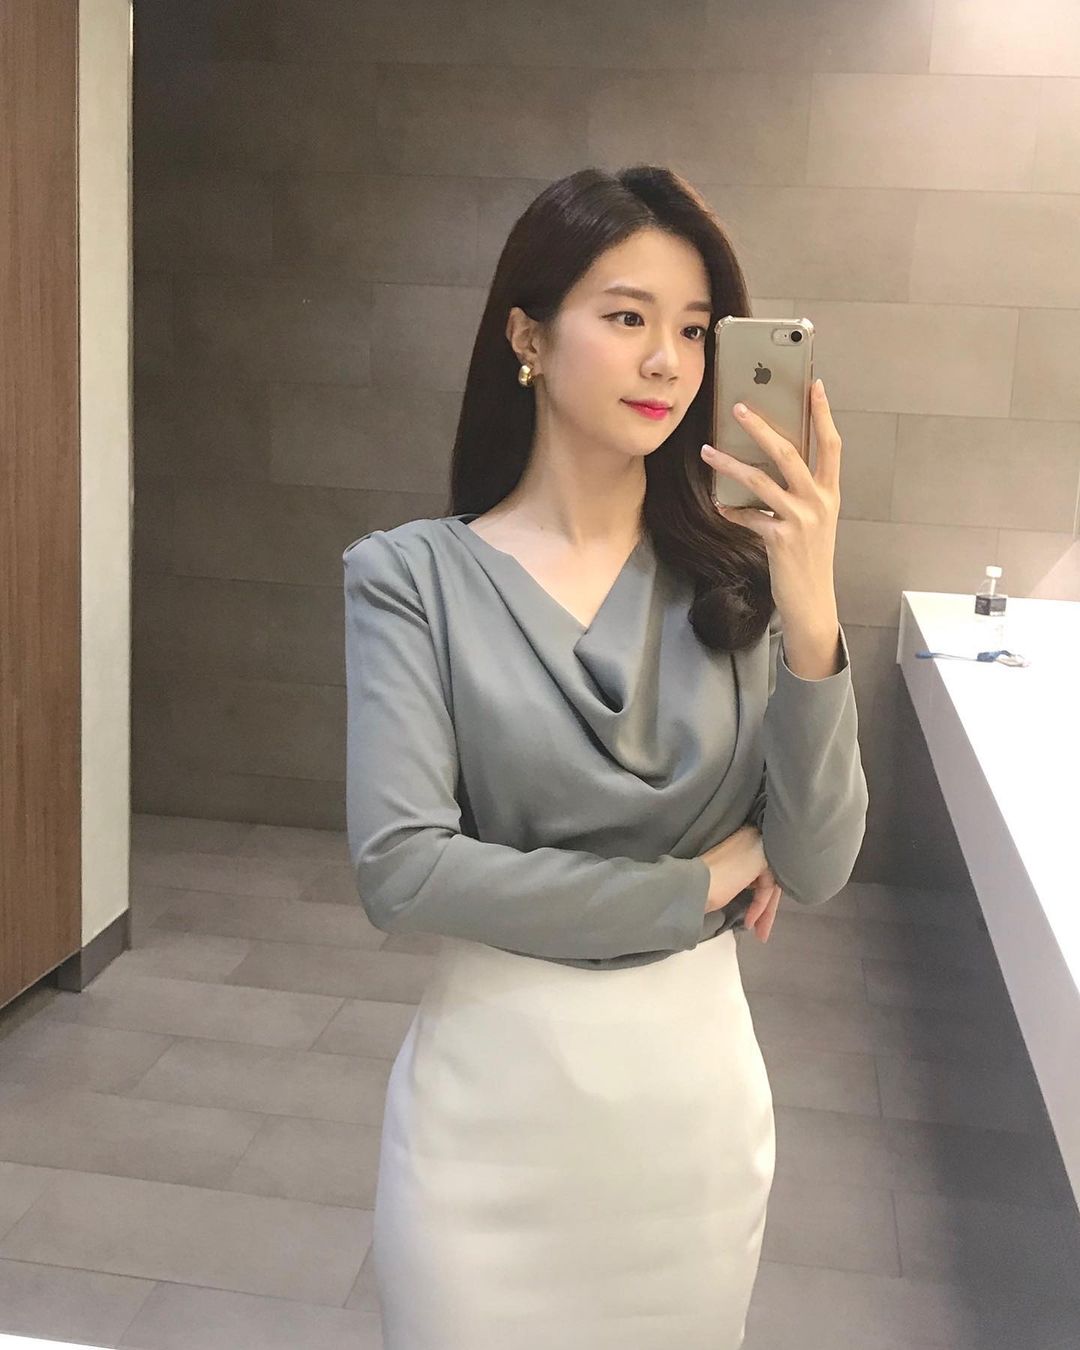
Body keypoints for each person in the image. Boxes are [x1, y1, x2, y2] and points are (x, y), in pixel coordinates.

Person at [342, 164, 869, 1350]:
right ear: (527, 335)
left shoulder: (737, 583)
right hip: (488, 1119)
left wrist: (812, 609)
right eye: (628, 317)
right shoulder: (411, 580)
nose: (668, 362)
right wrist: (698, 882)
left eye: (694, 330)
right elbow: (404, 871)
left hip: (690, 1129)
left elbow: (817, 862)